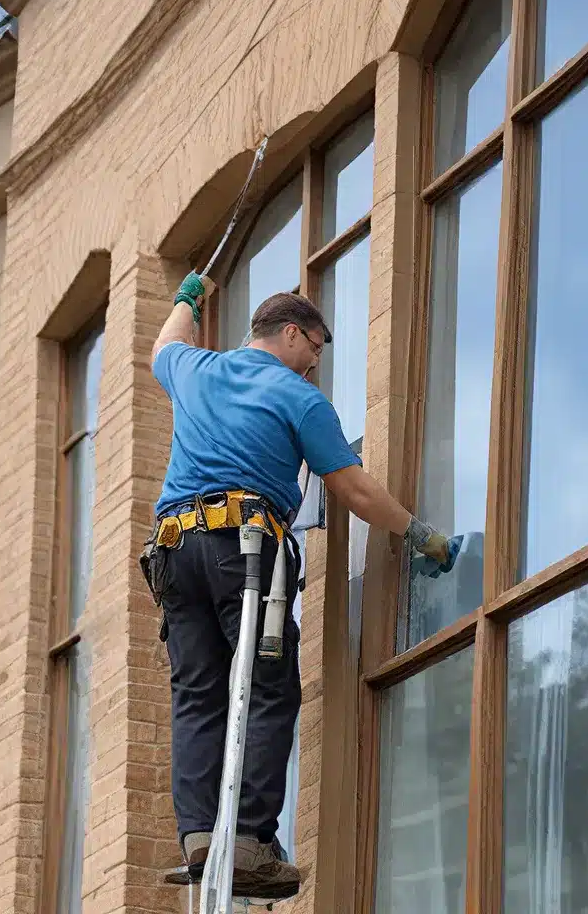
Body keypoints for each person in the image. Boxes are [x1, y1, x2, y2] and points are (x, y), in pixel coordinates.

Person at [143, 271, 451, 900]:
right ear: (290, 333)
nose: (314, 365)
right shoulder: (298, 399)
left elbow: (162, 347)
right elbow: (352, 488)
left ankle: (201, 835)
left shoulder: (196, 370)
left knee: (199, 694)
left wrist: (187, 300)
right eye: (314, 349)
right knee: (266, 687)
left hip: (176, 553)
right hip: (244, 553)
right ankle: (251, 840)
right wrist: (422, 536)